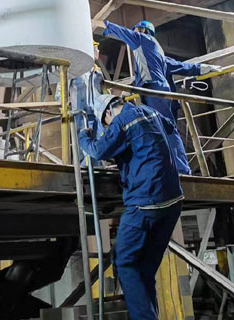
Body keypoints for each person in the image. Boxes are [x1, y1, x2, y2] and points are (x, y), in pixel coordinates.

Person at [78, 94, 183, 320]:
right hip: (173, 201)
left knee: (124, 262)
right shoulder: (150, 111)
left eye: (106, 124)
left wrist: (83, 135)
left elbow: (98, 151)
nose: (109, 127)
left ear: (108, 112)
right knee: (145, 268)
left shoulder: (122, 121)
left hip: (146, 202)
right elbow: (170, 127)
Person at [92, 19, 219, 174]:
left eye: (136, 30)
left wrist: (103, 24)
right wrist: (203, 68)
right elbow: (181, 66)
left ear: (143, 30)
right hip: (157, 93)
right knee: (163, 129)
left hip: (154, 91)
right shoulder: (155, 52)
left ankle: (181, 169)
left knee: (164, 129)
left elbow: (123, 32)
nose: (134, 33)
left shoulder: (142, 39)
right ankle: (175, 167)